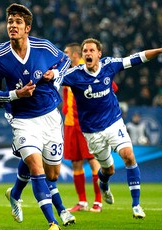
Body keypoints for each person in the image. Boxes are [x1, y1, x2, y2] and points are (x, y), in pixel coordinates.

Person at [62, 38, 162, 219]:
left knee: (128, 155)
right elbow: (50, 80)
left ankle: (136, 204)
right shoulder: (74, 75)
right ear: (82, 55)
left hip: (114, 123)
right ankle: (104, 185)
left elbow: (138, 58)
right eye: (85, 51)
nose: (88, 54)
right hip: (92, 131)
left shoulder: (109, 65)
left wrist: (161, 50)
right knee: (108, 170)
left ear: (99, 54)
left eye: (91, 51)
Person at [0, 3, 75, 230]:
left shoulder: (44, 47)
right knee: (36, 167)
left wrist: (54, 73)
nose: (12, 26)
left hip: (49, 115)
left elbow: (65, 61)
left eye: (17, 23)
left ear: (27, 28)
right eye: (10, 22)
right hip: (22, 119)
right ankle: (52, 222)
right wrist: (16, 94)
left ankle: (14, 193)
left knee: (52, 174)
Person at [62, 42, 102, 212]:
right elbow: (65, 93)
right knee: (76, 164)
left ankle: (98, 201)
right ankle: (82, 202)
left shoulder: (88, 70)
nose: (64, 56)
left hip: (87, 124)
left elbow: (110, 88)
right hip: (70, 124)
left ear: (75, 55)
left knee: (93, 161)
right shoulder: (68, 73)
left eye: (66, 53)